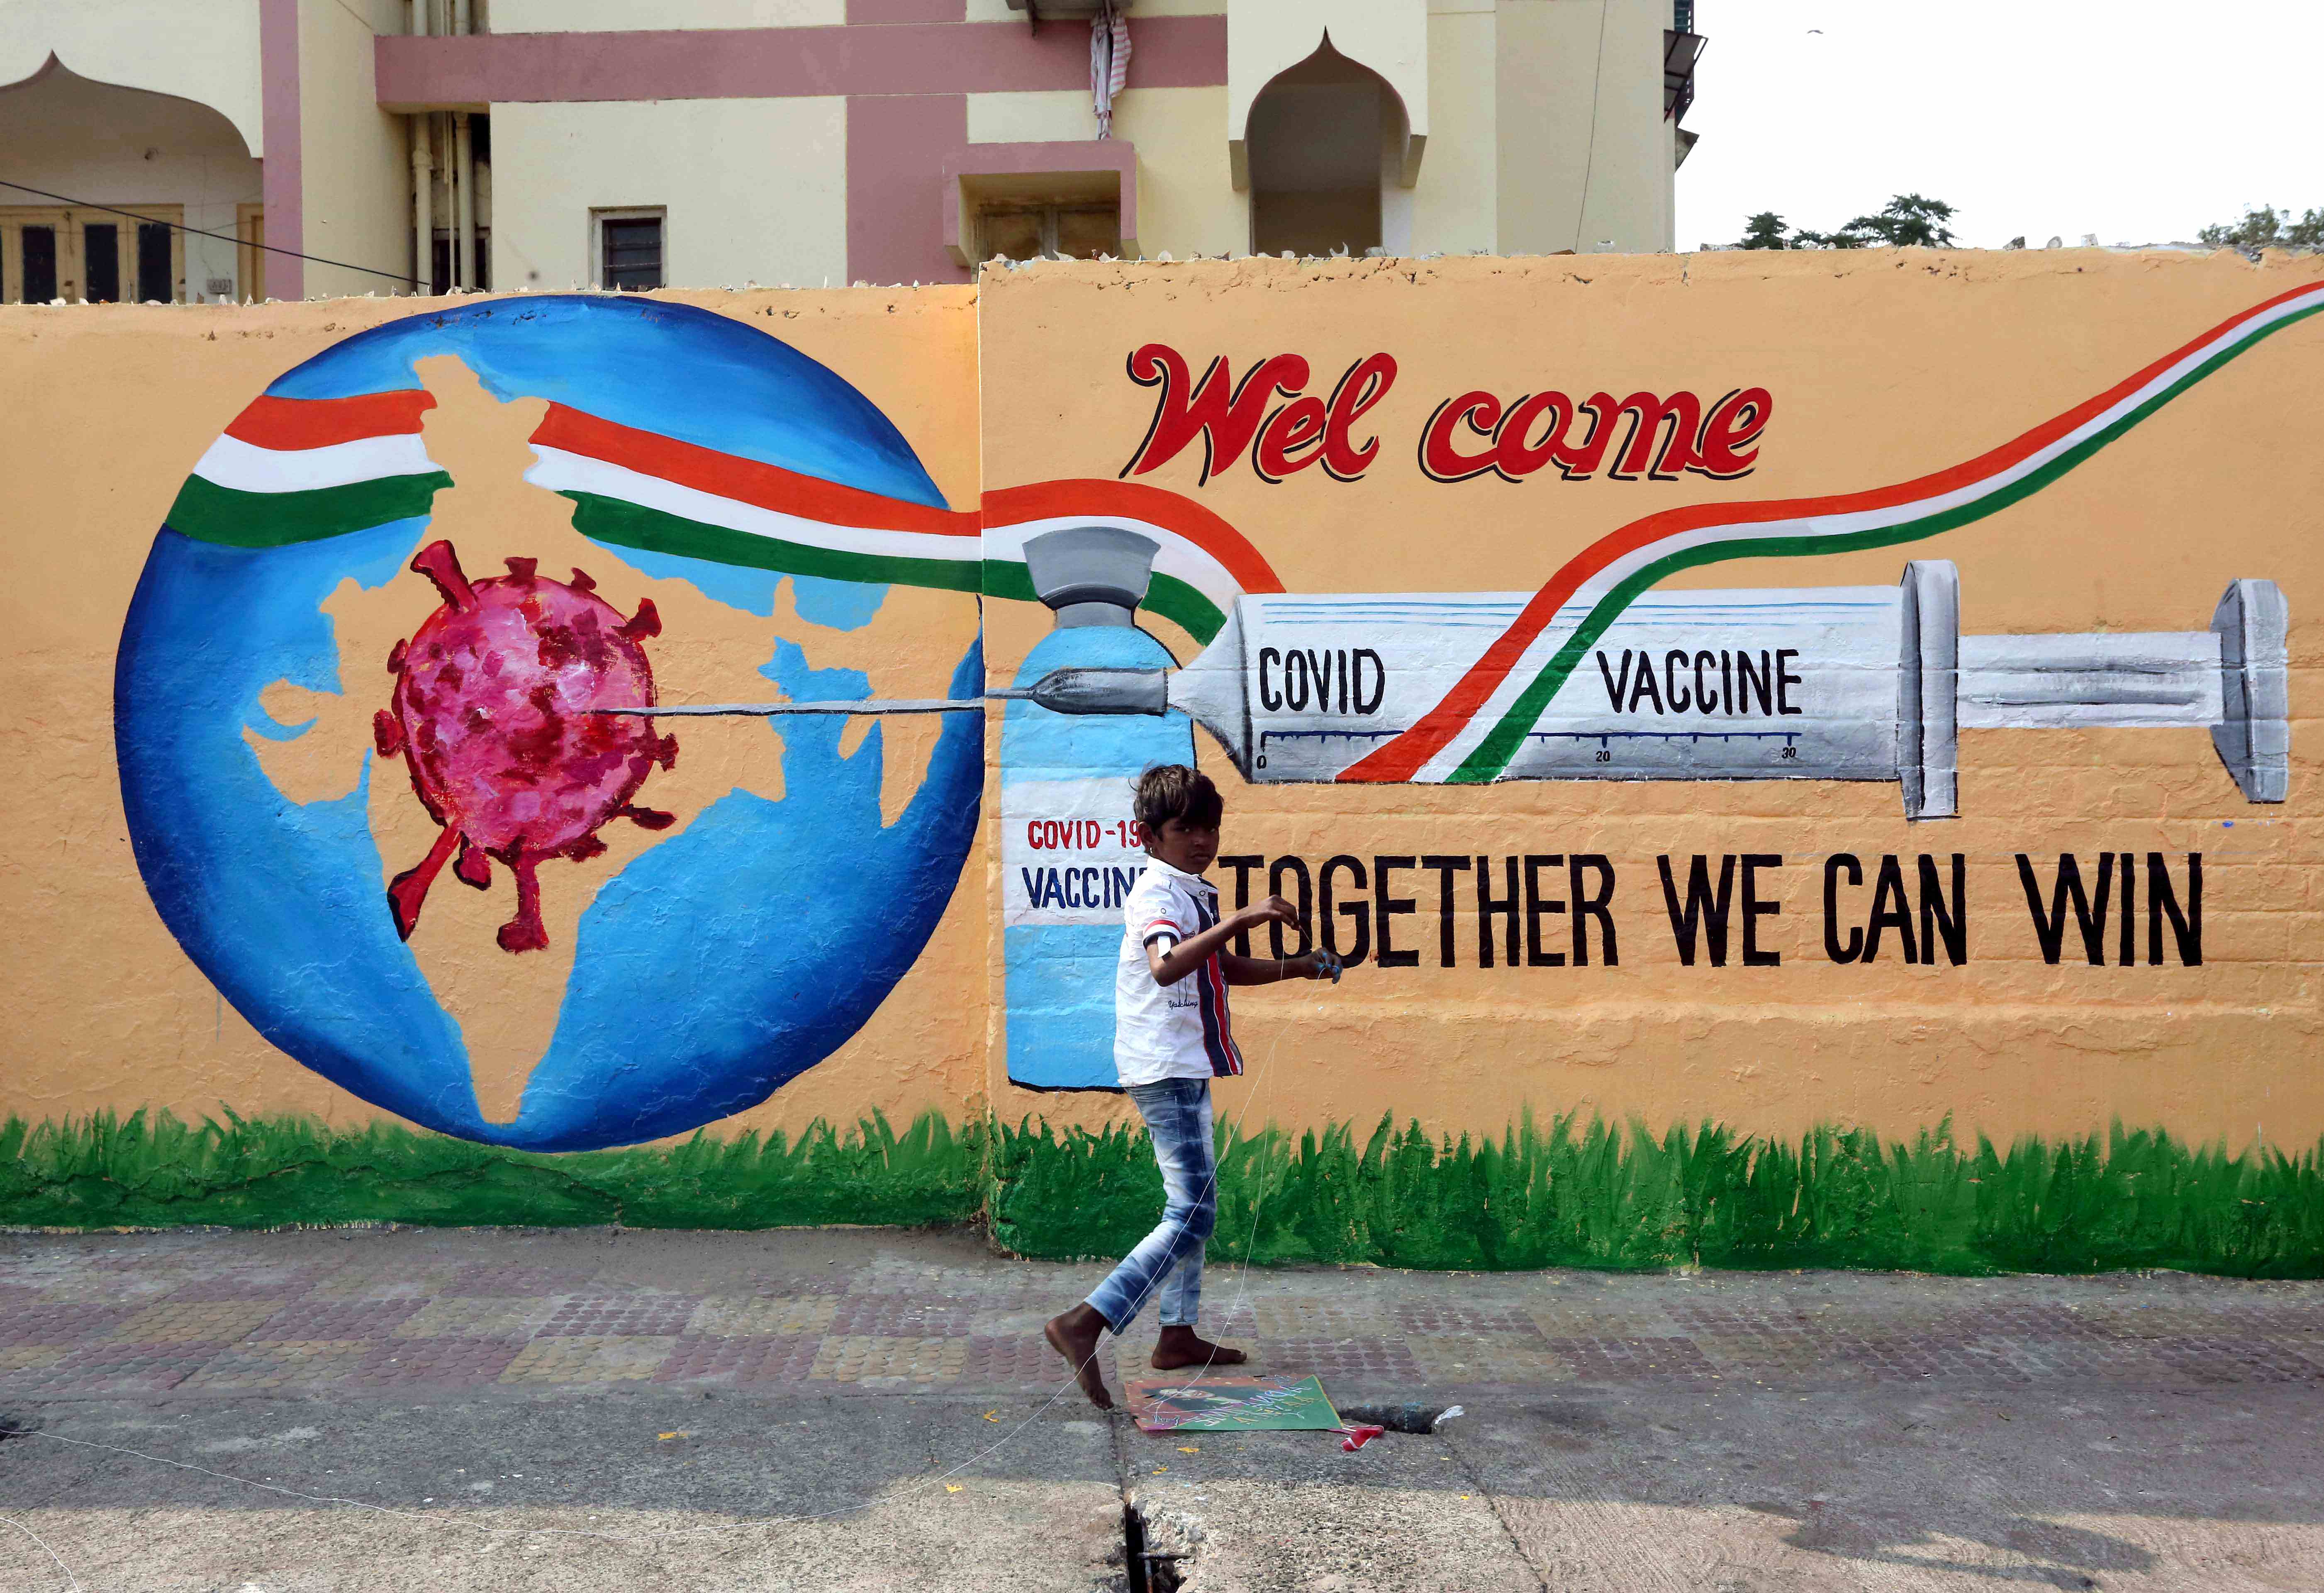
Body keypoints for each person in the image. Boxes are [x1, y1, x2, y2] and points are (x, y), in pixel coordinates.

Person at [1043, 764, 1342, 1409]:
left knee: (1194, 1203)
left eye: (1209, 827)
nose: (1201, 840)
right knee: (1192, 1212)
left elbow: (1223, 966)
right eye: (1185, 829)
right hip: (1164, 1066)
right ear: (1147, 836)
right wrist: (1240, 917)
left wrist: (1301, 970)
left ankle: (1176, 1336)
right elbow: (1166, 965)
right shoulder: (1157, 895)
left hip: (1186, 1063)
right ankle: (1085, 1322)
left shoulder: (1191, 891)